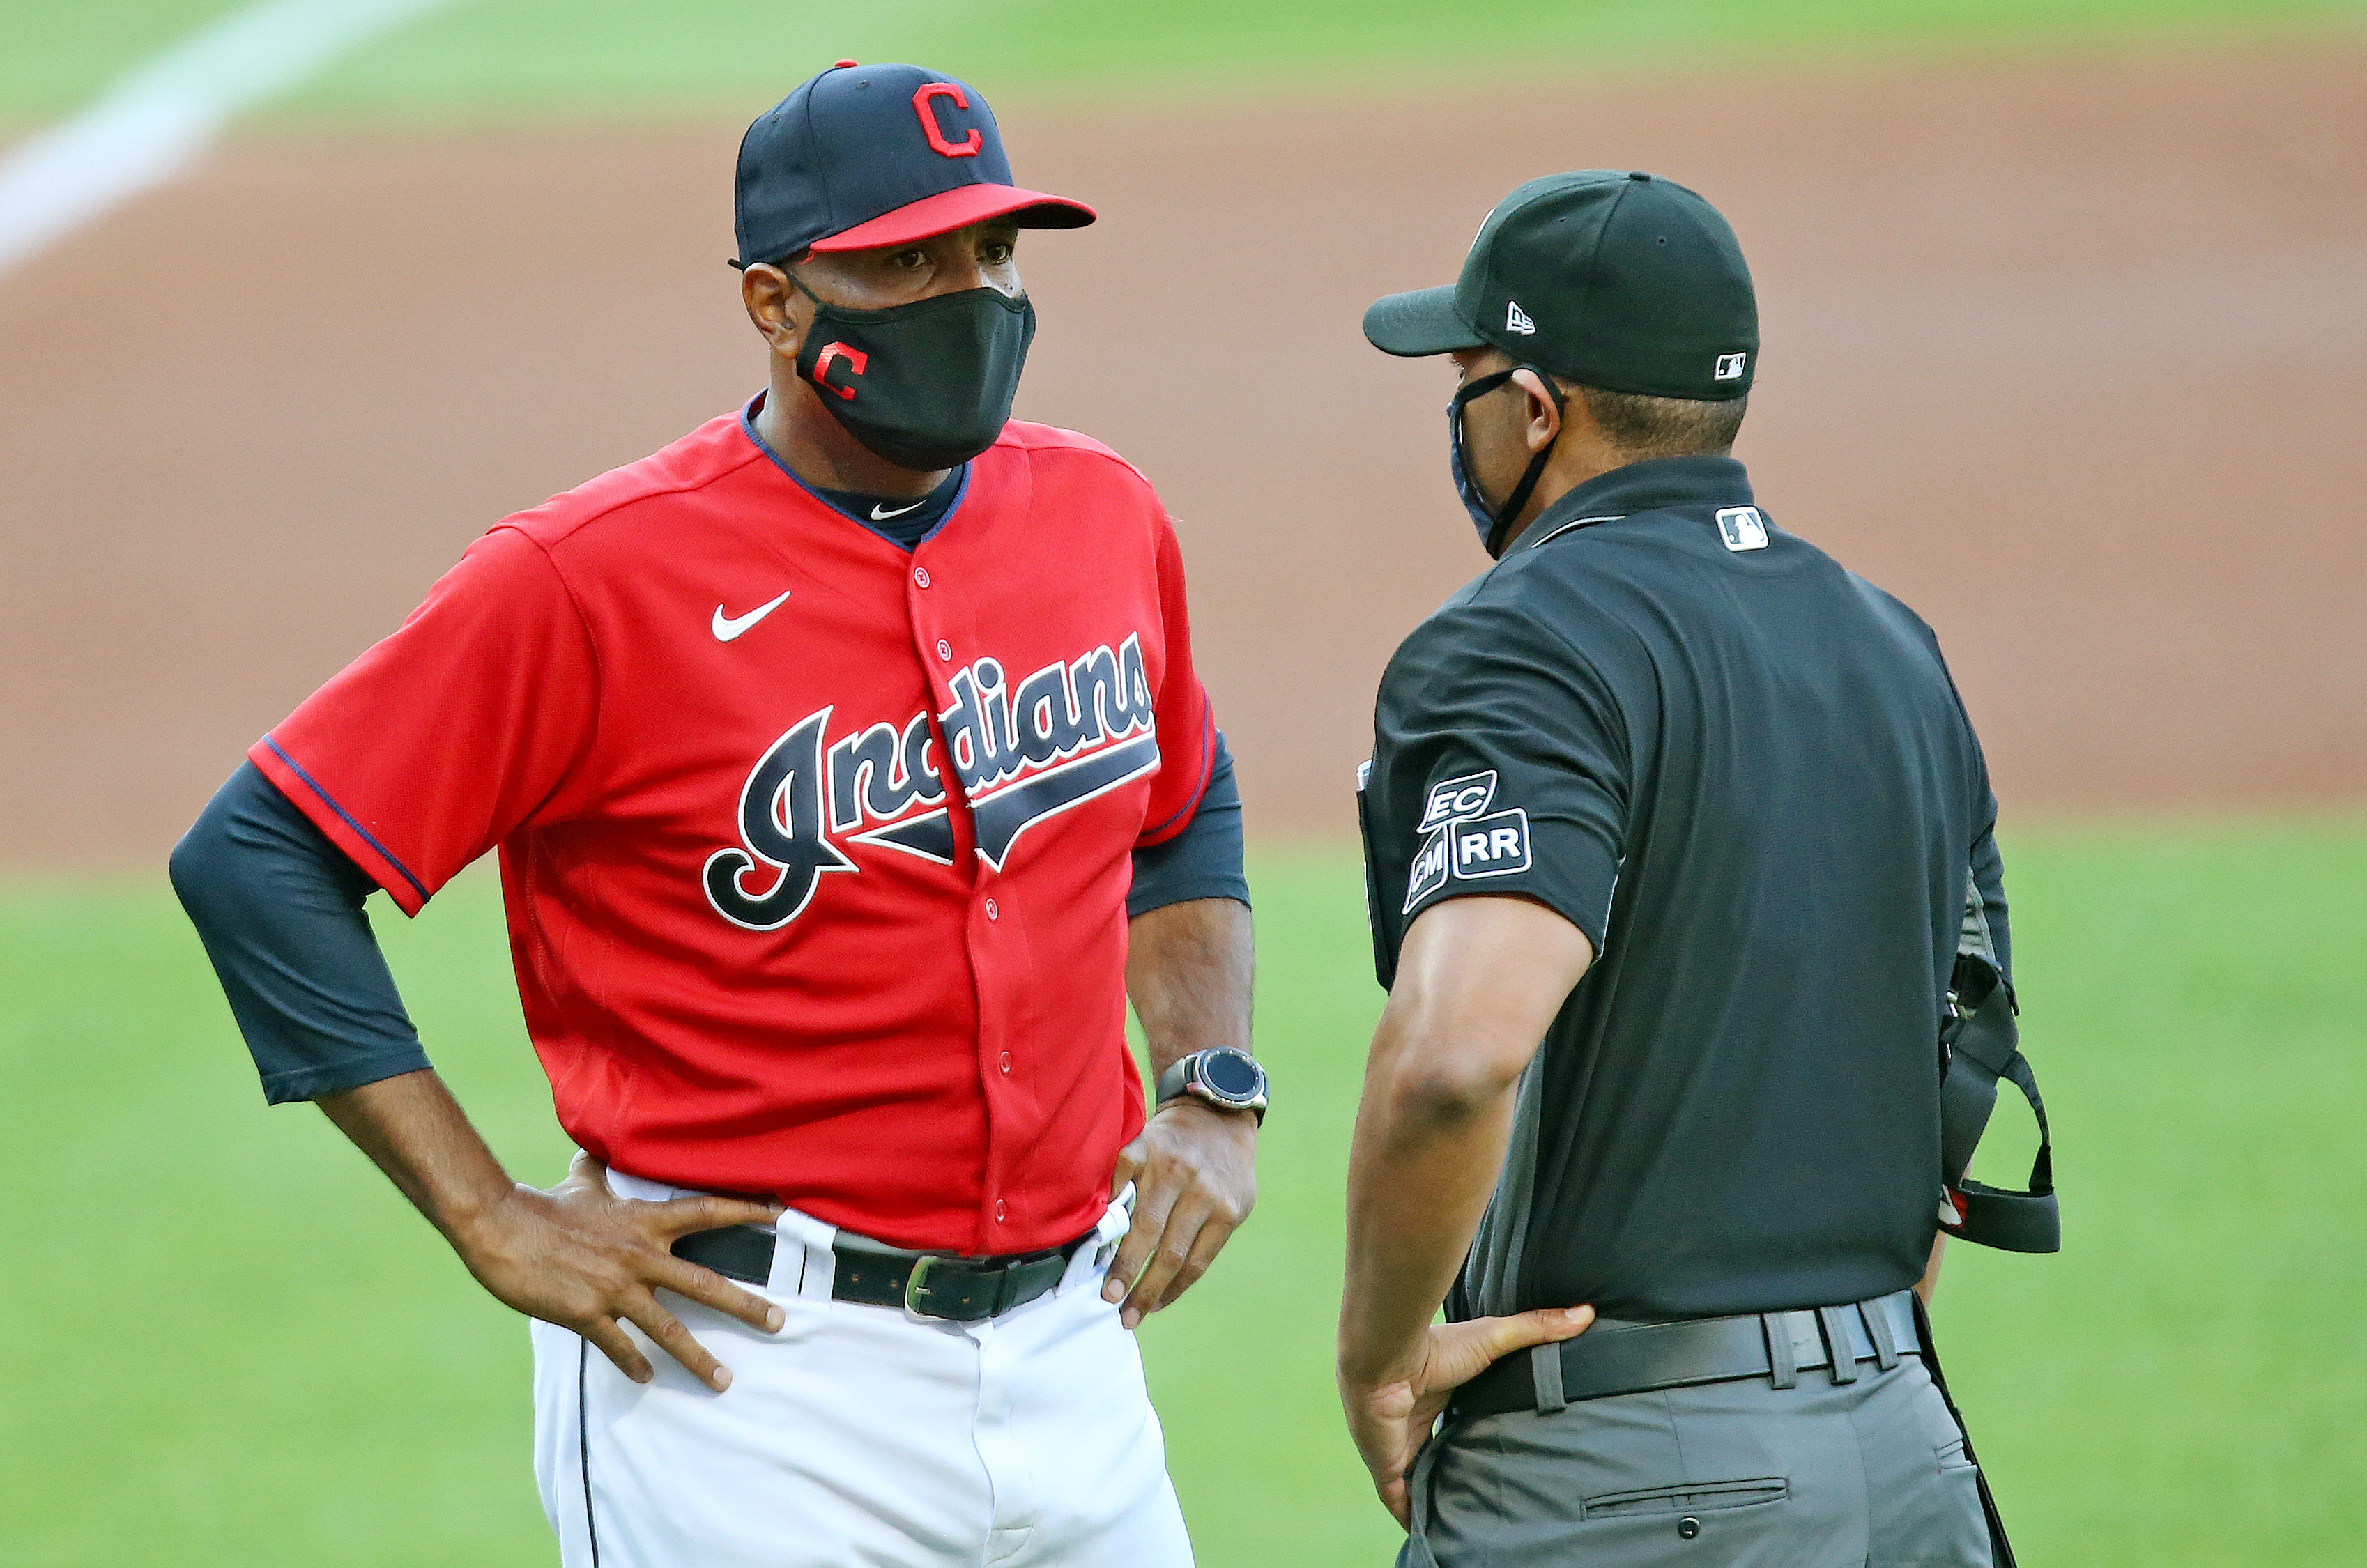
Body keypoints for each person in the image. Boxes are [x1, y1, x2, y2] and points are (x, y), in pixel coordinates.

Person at [171, 60, 1270, 1568]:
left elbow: (1179, 788)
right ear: (773, 302)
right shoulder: (589, 578)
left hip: (1078, 1358)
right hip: (746, 1388)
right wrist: (491, 1216)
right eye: (906, 262)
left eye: (994, 253)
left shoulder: (1100, 514)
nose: (971, 295)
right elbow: (259, 855)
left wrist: (1211, 1084)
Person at [1337, 169, 2042, 1567]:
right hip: (1903, 1446)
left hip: (1623, 1480)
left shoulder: (1519, 641)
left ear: (1538, 410)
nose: (1459, 412)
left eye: (1469, 375)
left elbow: (1456, 1059)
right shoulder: (1891, 644)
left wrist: (1383, 1352)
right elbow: (1960, 1052)